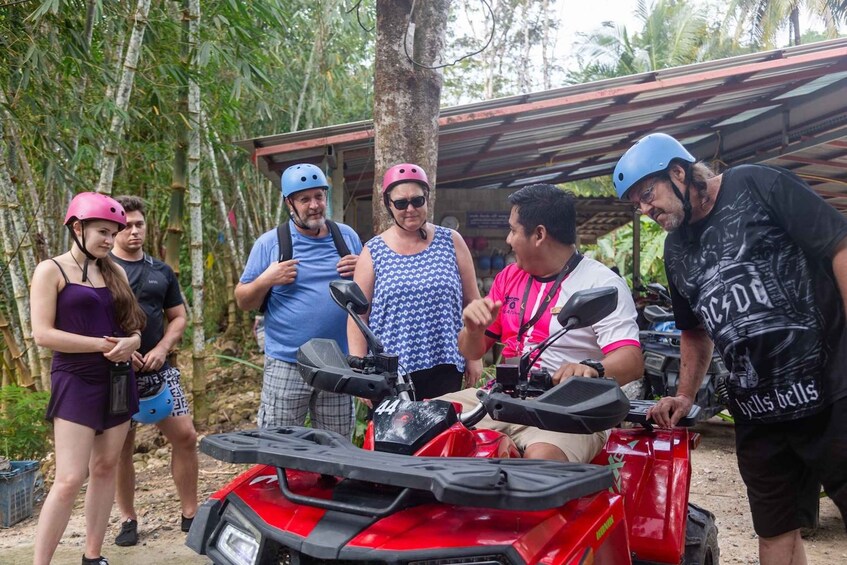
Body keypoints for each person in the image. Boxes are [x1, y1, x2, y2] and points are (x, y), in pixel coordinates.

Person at [613, 132, 847, 565]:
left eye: (648, 194)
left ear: (678, 173)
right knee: (774, 530)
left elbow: (839, 245)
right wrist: (684, 394)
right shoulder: (675, 248)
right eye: (636, 205)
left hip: (831, 391)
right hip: (757, 412)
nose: (645, 210)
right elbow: (693, 331)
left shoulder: (757, 185)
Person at [454, 183, 644, 461]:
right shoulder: (509, 277)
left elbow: (632, 360)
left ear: (539, 234)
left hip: (568, 409)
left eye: (513, 230)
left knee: (539, 469)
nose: (508, 240)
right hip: (500, 399)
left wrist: (590, 369)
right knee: (421, 421)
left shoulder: (599, 283)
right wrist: (473, 328)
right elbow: (471, 351)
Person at [31, 192, 146, 565]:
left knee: (105, 467)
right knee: (68, 479)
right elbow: (43, 335)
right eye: (102, 232)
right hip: (76, 379)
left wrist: (132, 343)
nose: (109, 241)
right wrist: (101, 345)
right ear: (77, 227)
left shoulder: (116, 271)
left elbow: (133, 330)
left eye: (113, 233)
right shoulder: (51, 270)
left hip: (117, 378)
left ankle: (93, 555)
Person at [235, 163, 362, 435]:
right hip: (287, 361)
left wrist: (362, 268)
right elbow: (243, 300)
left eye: (319, 196)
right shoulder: (270, 243)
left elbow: (367, 294)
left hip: (338, 361)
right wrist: (267, 278)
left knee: (338, 446)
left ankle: (332, 480)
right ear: (289, 203)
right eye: (305, 199)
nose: (314, 205)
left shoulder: (346, 237)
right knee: (278, 444)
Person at [348, 163, 482, 401]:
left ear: (427, 199)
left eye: (417, 201)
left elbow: (472, 303)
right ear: (389, 205)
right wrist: (360, 373)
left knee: (445, 436)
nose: (410, 209)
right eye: (401, 203)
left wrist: (475, 355)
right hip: (391, 372)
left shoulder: (451, 241)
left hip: (446, 363)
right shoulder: (373, 251)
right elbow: (358, 316)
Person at [109, 195, 197, 546]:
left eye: (139, 224)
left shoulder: (161, 270)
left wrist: (162, 348)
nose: (133, 231)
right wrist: (120, 349)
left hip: (161, 369)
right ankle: (127, 518)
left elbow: (178, 317)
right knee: (119, 448)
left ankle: (191, 512)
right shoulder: (101, 270)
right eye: (126, 225)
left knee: (186, 436)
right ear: (114, 228)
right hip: (115, 372)